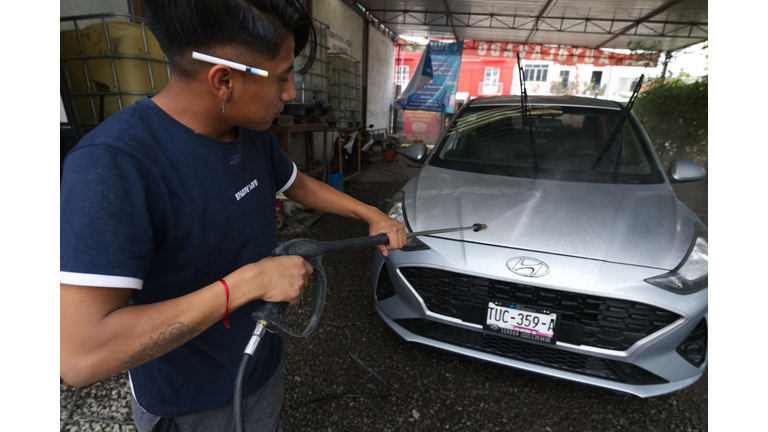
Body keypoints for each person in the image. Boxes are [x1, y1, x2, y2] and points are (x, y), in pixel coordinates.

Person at [59, 1, 406, 431]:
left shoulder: (249, 132)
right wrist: (250, 283)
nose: (291, 93)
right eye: (281, 77)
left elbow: (294, 181)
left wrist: (370, 213)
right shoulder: (113, 166)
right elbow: (80, 355)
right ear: (223, 81)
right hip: (190, 405)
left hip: (260, 367)